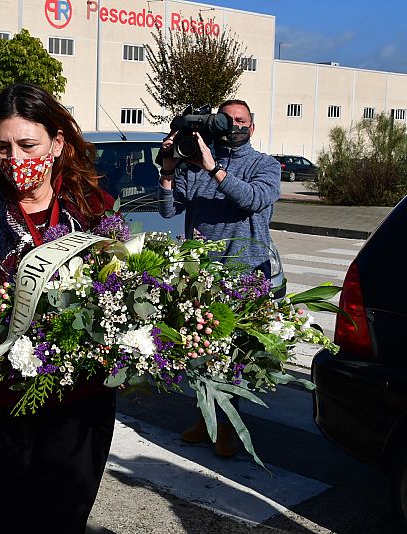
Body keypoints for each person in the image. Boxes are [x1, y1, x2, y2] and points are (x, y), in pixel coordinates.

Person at [0, 83, 116, 534]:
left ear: (57, 143)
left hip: (80, 402)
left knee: (63, 519)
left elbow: (121, 293)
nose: (15, 158)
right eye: (1, 147)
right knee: (10, 520)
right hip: (1, 400)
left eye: (27, 145)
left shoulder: (95, 210)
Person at [157, 99, 281, 458]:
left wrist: (213, 169)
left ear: (252, 127)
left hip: (246, 274)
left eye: (241, 120)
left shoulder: (265, 165)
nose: (234, 126)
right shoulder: (194, 163)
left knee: (236, 356)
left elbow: (255, 199)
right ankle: (205, 418)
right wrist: (168, 171)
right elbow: (168, 210)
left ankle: (228, 427)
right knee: (201, 352)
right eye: (227, 120)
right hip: (202, 274)